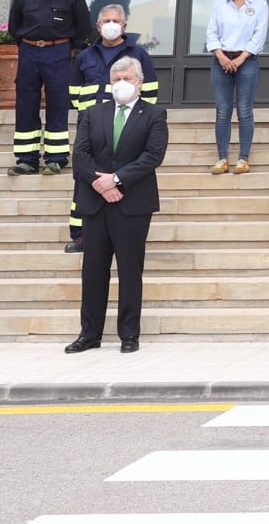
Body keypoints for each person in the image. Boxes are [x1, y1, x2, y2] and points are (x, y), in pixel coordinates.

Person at [66, 57, 169, 354]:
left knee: (129, 270)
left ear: (139, 82)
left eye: (128, 78)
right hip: (96, 202)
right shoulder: (92, 113)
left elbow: (153, 156)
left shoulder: (154, 114)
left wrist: (118, 180)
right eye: (117, 79)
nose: (122, 84)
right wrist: (101, 184)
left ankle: (129, 334)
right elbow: (81, 154)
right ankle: (90, 334)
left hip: (132, 203)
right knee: (93, 271)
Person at [65, 6, 159, 253]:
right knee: (84, 179)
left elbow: (149, 93)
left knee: (121, 177)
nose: (111, 24)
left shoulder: (138, 54)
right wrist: (89, 118)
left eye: (116, 20)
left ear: (124, 26)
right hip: (92, 126)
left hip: (126, 126)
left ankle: (119, 232)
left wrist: (137, 122)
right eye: (106, 20)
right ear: (98, 26)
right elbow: (74, 91)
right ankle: (81, 234)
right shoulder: (85, 56)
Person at [6, 0, 91, 177]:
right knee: (26, 103)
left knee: (58, 102)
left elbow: (83, 24)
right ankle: (27, 159)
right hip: (30, 52)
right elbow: (14, 25)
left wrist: (71, 49)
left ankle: (56, 158)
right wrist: (27, 45)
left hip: (59, 52)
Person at [205, 0, 269, 176]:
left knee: (244, 110)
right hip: (221, 60)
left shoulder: (260, 4)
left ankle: (243, 158)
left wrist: (241, 59)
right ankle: (222, 158)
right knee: (223, 111)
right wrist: (222, 57)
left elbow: (258, 36)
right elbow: (212, 34)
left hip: (247, 61)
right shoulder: (219, 5)